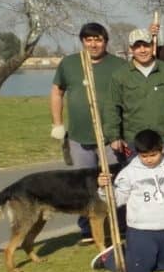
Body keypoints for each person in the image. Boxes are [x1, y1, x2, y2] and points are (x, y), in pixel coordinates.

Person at [48, 22, 127, 243]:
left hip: (110, 138)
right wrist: (57, 123)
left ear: (105, 41)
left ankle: (117, 226)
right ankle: (87, 230)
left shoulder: (118, 65)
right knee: (84, 186)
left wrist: (120, 134)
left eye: (98, 39)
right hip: (79, 136)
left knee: (113, 183)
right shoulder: (70, 64)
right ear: (83, 41)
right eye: (89, 40)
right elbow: (57, 92)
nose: (94, 44)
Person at [94, 129, 164, 272]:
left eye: (153, 155)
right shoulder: (129, 173)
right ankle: (110, 257)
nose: (149, 159)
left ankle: (139, 254)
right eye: (144, 156)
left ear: (162, 149)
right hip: (142, 230)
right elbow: (117, 199)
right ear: (137, 153)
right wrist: (104, 188)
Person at [105, 29, 164, 163]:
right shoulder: (120, 76)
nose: (142, 50)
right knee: (138, 182)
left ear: (153, 46)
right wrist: (114, 136)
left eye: (146, 45)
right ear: (131, 49)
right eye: (137, 46)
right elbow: (112, 107)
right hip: (135, 142)